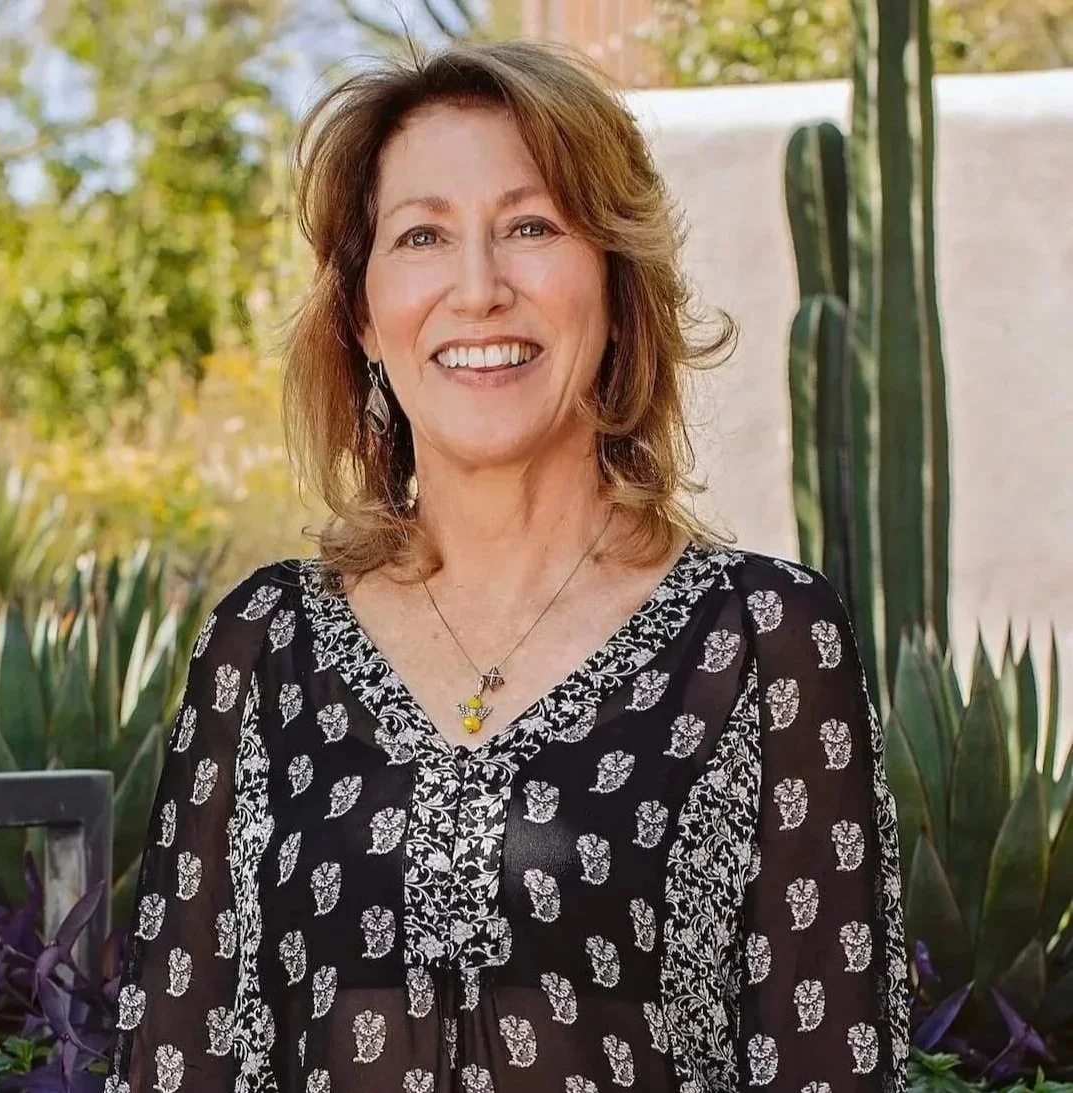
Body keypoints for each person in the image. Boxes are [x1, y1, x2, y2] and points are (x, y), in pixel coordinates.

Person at [104, 38, 910, 1093]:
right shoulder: (264, 647)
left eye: (529, 226)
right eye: (422, 236)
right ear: (362, 314)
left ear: (614, 284)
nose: (477, 289)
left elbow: (828, 1061)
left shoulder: (762, 643)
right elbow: (178, 1058)